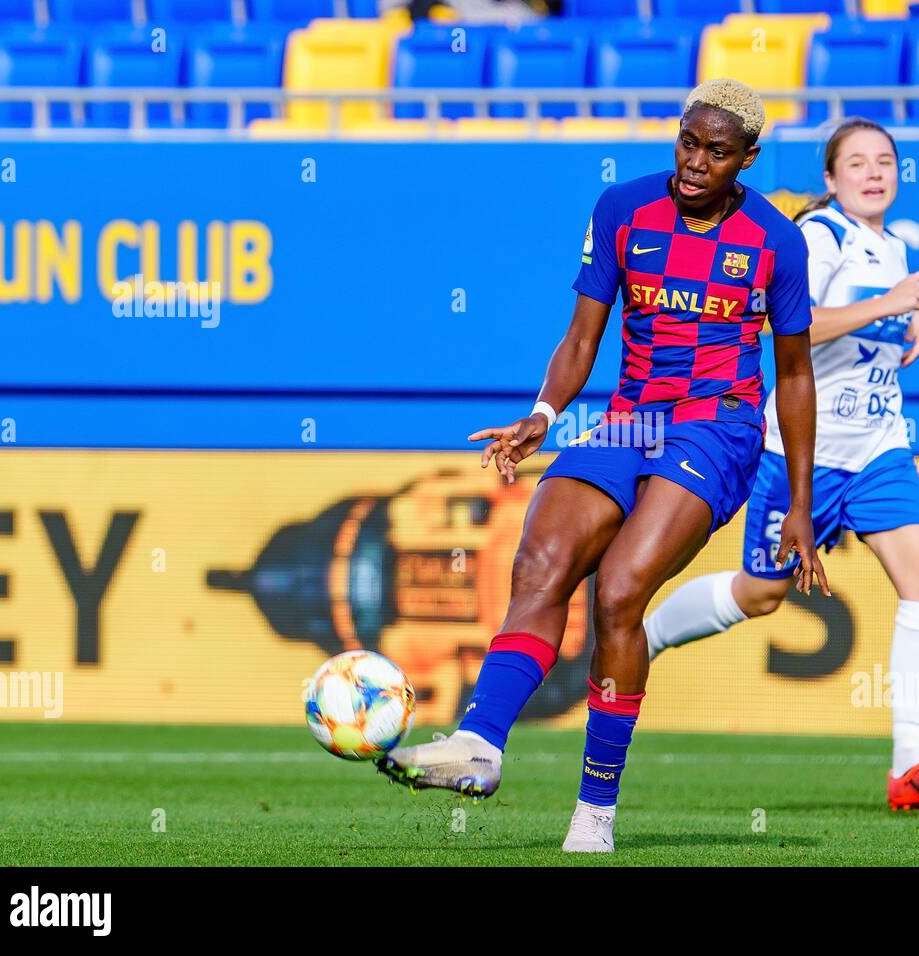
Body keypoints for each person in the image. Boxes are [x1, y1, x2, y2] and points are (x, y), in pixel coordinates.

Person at [377, 79, 828, 853]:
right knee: (541, 561)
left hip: (716, 429)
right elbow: (582, 337)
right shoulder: (622, 208)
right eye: (688, 141)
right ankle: (480, 745)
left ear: (747, 159)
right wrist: (542, 417)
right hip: (630, 419)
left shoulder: (776, 243)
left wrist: (800, 501)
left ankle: (594, 813)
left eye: (716, 152)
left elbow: (793, 374)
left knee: (620, 593)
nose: (694, 163)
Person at [644, 118, 919, 813]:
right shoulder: (819, 238)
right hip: (804, 455)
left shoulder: (897, 247)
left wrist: (917, 318)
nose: (875, 172)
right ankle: (641, 638)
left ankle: (910, 764)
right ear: (831, 179)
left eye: (885, 161)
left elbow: (883, 315)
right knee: (760, 595)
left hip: (878, 448)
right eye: (857, 163)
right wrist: (889, 304)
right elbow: (789, 322)